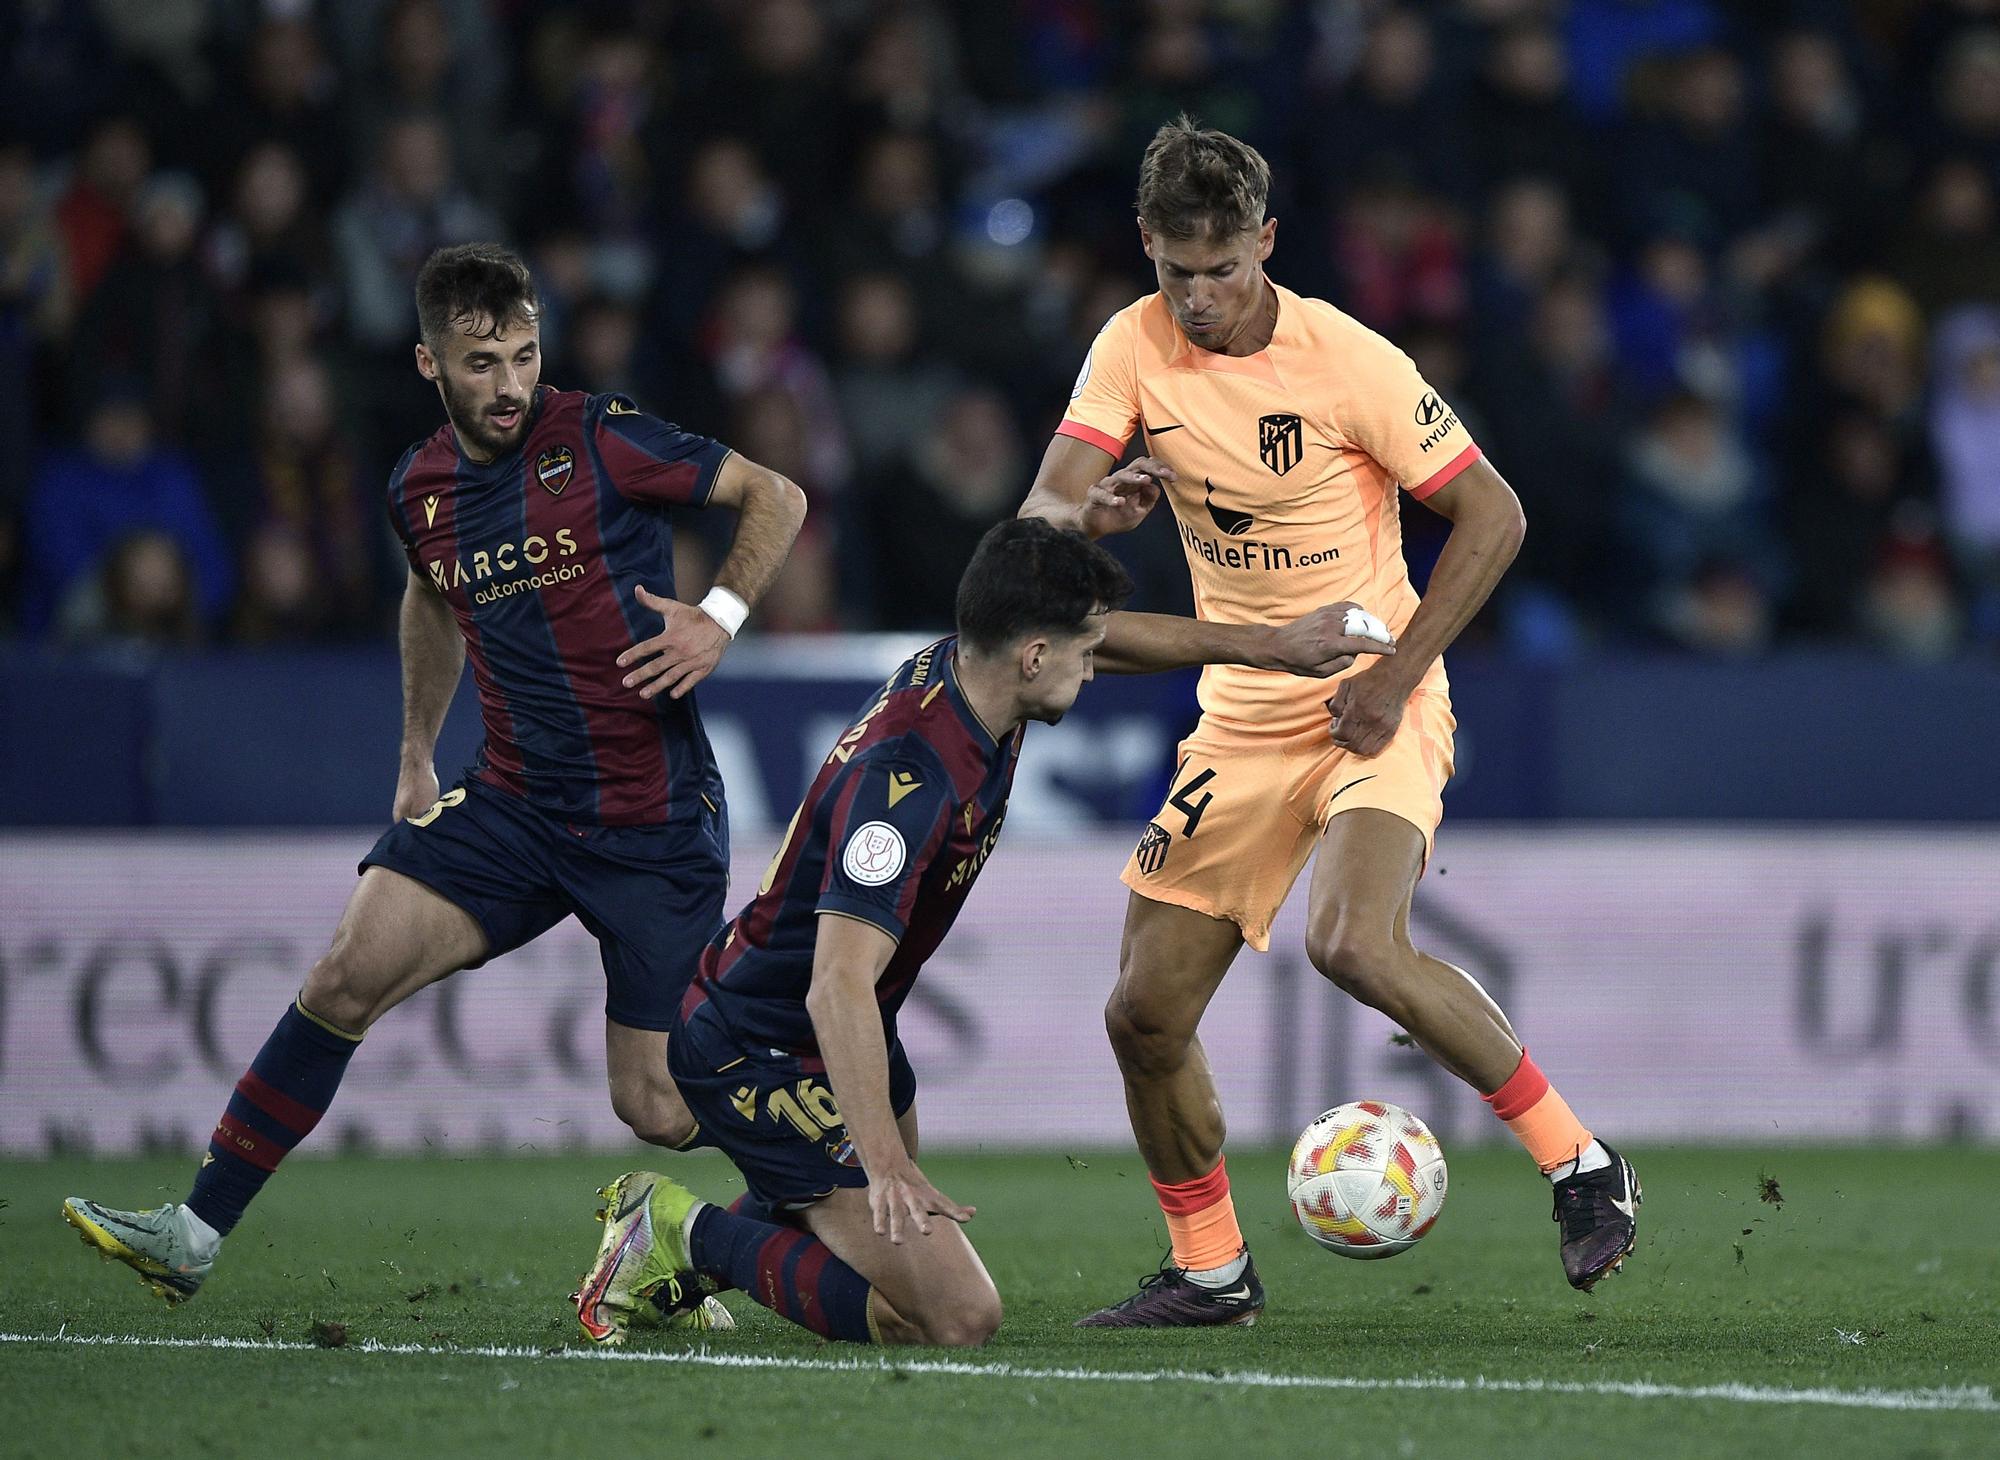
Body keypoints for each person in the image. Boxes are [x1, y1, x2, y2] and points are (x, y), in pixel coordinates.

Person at [62, 243, 808, 1317]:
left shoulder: (600, 436)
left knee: (653, 1102)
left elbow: (772, 494)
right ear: (427, 363)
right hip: (510, 804)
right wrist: (415, 748)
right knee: (340, 977)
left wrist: (719, 619)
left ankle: (801, 1120)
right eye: (479, 362)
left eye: (522, 354)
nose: (508, 385)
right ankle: (192, 1230)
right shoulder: (419, 487)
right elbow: (429, 596)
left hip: (648, 818)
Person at [1019, 118, 1641, 1328]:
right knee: (1141, 1014)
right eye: (1174, 273)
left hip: (1373, 691)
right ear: (1146, 246)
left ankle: (1580, 1163)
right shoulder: (1128, 345)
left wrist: (1396, 675)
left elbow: (1492, 516)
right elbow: (1039, 514)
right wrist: (1086, 512)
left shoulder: (1347, 358)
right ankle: (1209, 1268)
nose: (1197, 301)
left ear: (1264, 241)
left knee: (1350, 940)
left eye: (1223, 271)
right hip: (1241, 715)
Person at [569, 517, 1395, 1348]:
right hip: (767, 1041)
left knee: (855, 1226)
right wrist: (885, 1162)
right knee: (956, 1316)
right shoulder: (908, 781)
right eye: (1083, 649)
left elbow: (1102, 634)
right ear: (1035, 656)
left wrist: (1266, 646)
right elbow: (837, 982)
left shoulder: (973, 671)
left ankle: (701, 1249)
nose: (1097, 662)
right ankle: (674, 1229)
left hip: (842, 1035)